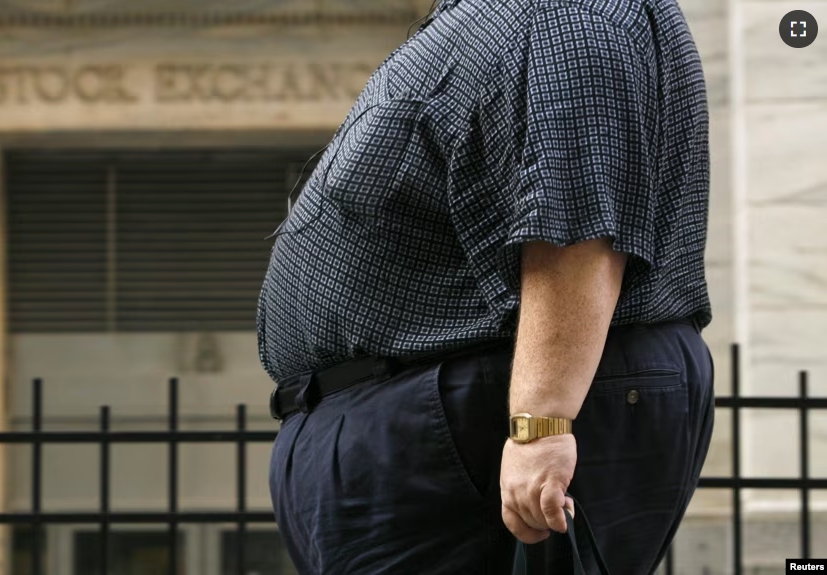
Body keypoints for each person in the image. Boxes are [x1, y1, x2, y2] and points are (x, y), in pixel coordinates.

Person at [256, 0, 715, 571]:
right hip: (412, 424)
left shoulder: (559, 10)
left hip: (464, 420)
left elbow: (577, 220)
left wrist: (540, 426)